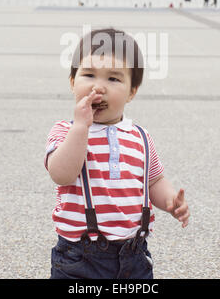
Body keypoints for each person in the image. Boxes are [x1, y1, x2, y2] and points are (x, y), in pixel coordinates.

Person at [45, 28, 190, 279]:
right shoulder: (65, 131)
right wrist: (81, 127)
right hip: (79, 258)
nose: (98, 87)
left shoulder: (141, 137)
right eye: (88, 75)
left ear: (131, 92)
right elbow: (61, 174)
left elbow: (154, 180)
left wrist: (169, 202)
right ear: (72, 82)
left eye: (114, 79)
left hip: (134, 255)